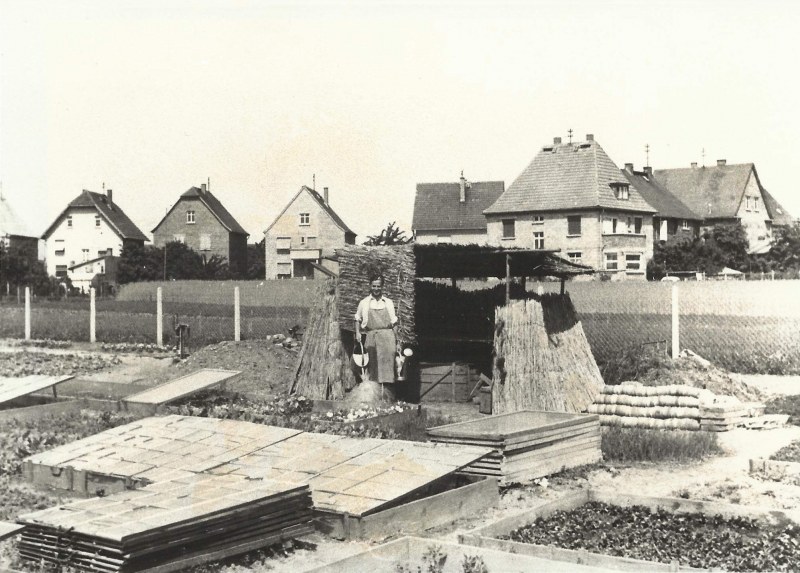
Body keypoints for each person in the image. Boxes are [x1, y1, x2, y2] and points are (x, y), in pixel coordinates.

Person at [354, 274, 398, 384]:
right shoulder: (364, 302)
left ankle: (386, 392)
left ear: (382, 287)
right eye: (374, 286)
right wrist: (358, 333)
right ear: (370, 286)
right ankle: (373, 393)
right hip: (371, 338)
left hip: (388, 339)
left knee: (387, 368)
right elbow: (357, 319)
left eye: (378, 286)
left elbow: (394, 322)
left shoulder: (388, 302)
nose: (376, 289)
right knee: (372, 368)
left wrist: (396, 341)